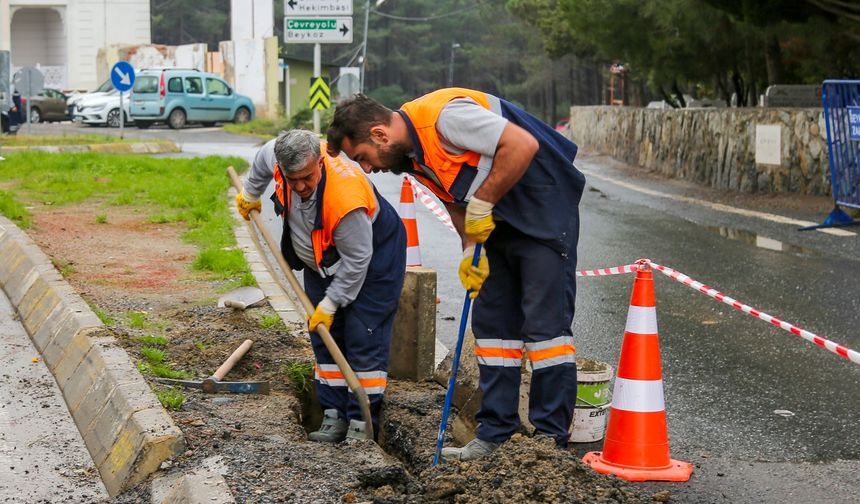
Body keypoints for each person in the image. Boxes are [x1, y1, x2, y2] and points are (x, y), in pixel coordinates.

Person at [327, 89, 585, 460]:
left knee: (546, 334)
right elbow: (453, 197)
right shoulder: (410, 156)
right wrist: (469, 250)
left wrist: (482, 203)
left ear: (380, 135)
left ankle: (548, 445)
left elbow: (521, 144)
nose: (368, 169)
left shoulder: (446, 119)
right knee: (494, 328)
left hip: (542, 207)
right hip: (497, 220)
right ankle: (495, 434)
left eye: (363, 158)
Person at [235, 129, 406, 442]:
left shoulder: (345, 196)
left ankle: (361, 423)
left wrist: (330, 303)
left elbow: (358, 260)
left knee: (362, 338)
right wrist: (251, 193)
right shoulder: (278, 154)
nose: (299, 186)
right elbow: (261, 162)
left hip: (373, 263)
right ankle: (333, 415)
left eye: (306, 178)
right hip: (320, 261)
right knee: (325, 339)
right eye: (292, 179)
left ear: (319, 163)